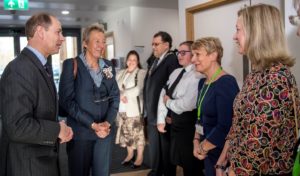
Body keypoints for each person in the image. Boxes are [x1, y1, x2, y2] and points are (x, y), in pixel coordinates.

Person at [216, 4, 300, 176]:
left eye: (238, 30)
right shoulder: (256, 74)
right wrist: (225, 156)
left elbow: (259, 145)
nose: (234, 36)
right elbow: (240, 123)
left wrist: (231, 172)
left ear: (256, 33)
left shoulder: (276, 79)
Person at [0, 13, 73, 176]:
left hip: (41, 162)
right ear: (40, 32)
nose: (62, 38)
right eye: (58, 32)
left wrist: (59, 126)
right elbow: (17, 126)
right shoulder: (18, 69)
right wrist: (57, 130)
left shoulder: (38, 66)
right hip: (29, 167)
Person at [59, 24, 120, 176]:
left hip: (104, 134)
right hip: (80, 135)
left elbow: (115, 96)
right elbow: (67, 102)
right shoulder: (71, 65)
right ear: (85, 43)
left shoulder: (108, 66)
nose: (101, 46)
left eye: (103, 41)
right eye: (96, 41)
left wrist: (107, 123)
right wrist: (92, 125)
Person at [191, 37, 239, 176]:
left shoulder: (226, 83)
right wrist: (196, 141)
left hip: (222, 155)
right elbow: (199, 117)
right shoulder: (202, 83)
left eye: (197, 54)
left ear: (213, 55)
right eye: (193, 55)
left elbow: (226, 126)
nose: (193, 59)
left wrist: (202, 147)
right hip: (206, 150)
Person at [157, 41, 205, 175]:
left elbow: (187, 104)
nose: (179, 55)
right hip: (175, 126)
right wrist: (162, 118)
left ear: (193, 54)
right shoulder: (176, 72)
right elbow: (163, 93)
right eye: (178, 52)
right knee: (181, 162)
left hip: (189, 128)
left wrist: (169, 103)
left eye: (184, 52)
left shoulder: (197, 74)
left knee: (192, 167)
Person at [144, 31, 180, 176]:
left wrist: (169, 113)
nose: (153, 47)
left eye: (156, 44)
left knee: (165, 150)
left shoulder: (171, 60)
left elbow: (173, 88)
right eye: (152, 44)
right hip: (152, 113)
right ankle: (155, 172)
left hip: (163, 115)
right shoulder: (155, 60)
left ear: (166, 45)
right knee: (155, 149)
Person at [115, 50, 146, 168]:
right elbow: (114, 88)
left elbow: (138, 89)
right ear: (126, 61)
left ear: (138, 61)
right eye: (130, 59)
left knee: (137, 135)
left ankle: (139, 157)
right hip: (122, 110)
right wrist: (119, 95)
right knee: (126, 134)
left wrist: (123, 94)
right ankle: (129, 155)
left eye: (134, 59)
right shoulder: (121, 73)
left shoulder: (141, 72)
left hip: (134, 110)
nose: (131, 62)